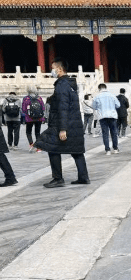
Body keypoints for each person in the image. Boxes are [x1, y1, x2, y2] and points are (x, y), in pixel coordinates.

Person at [35, 58, 90, 187]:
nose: (51, 70)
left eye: (53, 68)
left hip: (62, 124)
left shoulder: (61, 86)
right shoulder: (70, 85)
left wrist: (63, 129)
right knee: (76, 151)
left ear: (59, 69)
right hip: (74, 124)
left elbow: (63, 108)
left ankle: (58, 178)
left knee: (52, 148)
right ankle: (83, 177)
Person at [92, 83, 120, 155]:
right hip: (112, 115)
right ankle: (115, 148)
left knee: (105, 133)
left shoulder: (97, 97)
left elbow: (94, 107)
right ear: (106, 88)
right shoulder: (112, 95)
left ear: (99, 89)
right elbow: (118, 105)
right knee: (114, 132)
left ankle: (107, 150)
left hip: (102, 116)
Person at [22, 85, 45, 152]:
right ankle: (38, 148)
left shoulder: (26, 98)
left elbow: (23, 109)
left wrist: (25, 116)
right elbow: (43, 108)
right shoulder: (39, 98)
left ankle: (31, 144)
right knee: (37, 133)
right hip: (39, 118)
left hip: (29, 118)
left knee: (28, 132)